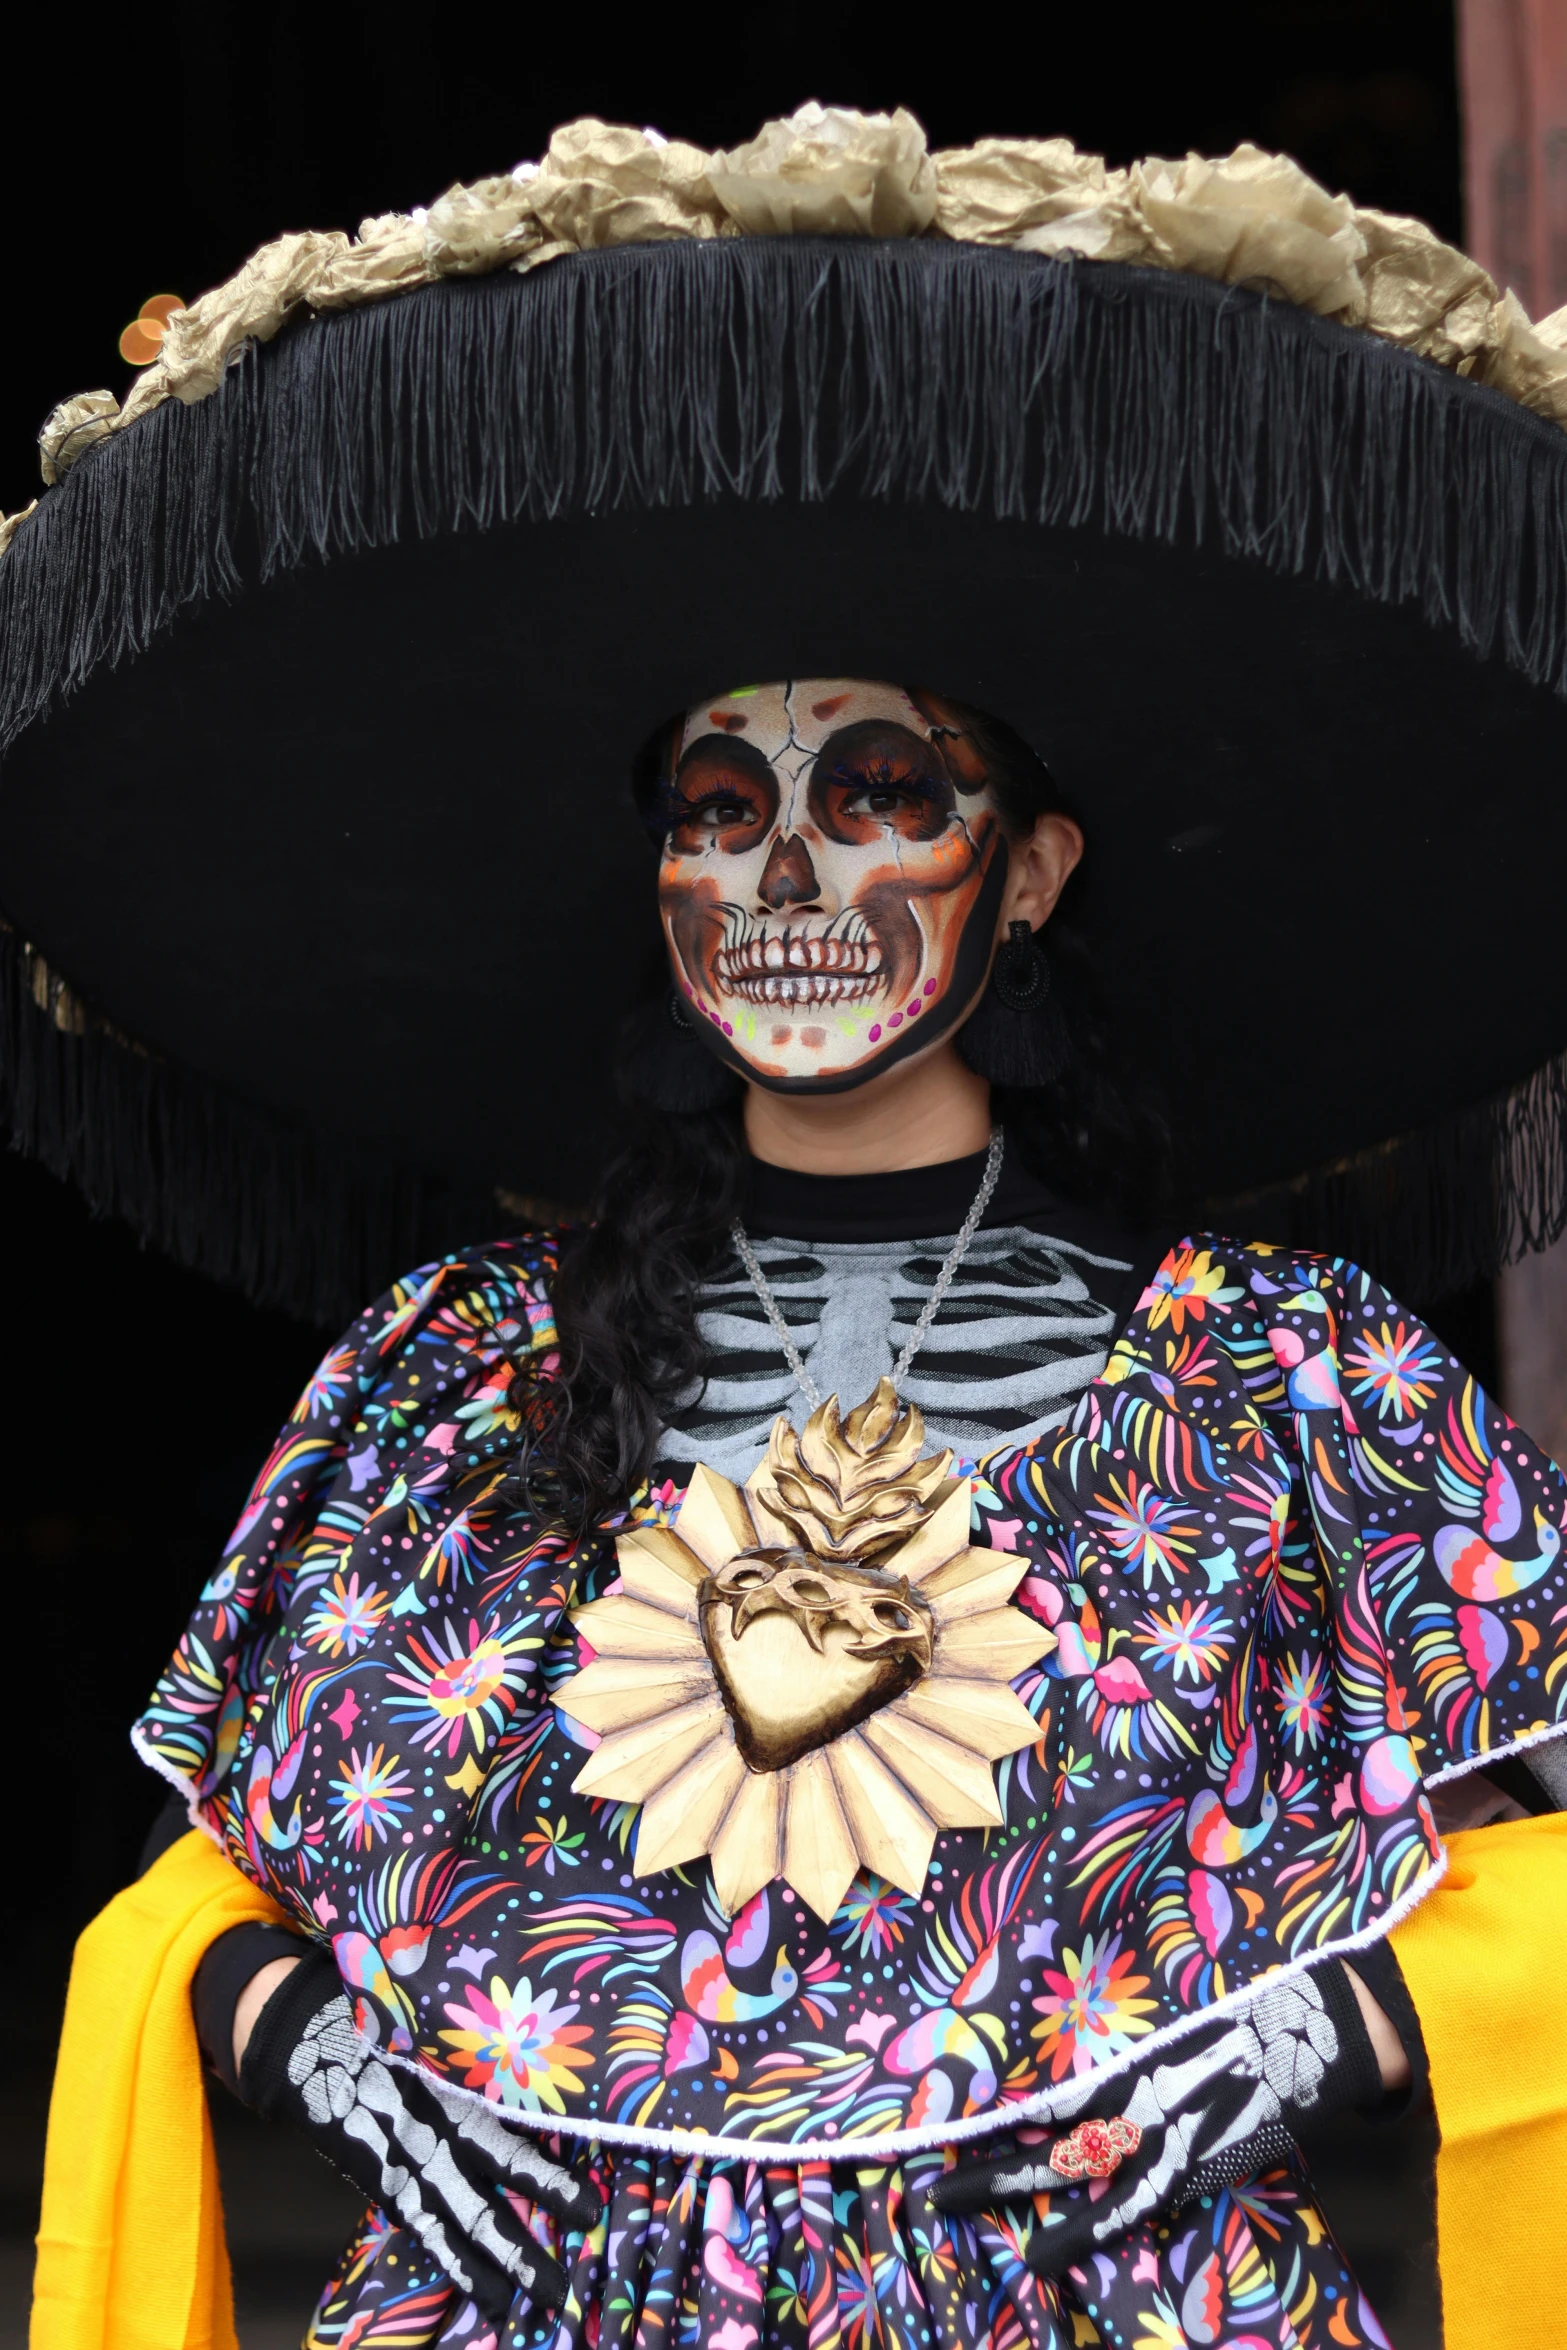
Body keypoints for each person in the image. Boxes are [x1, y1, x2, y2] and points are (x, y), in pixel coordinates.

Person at [20, 112, 1567, 2350]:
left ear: (1025, 870)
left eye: (879, 798)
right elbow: (201, 1898)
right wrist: (326, 2043)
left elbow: (1538, 1872)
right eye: (722, 812)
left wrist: (1339, 2027)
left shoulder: (1288, 1386)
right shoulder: (462, 1375)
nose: (785, 885)